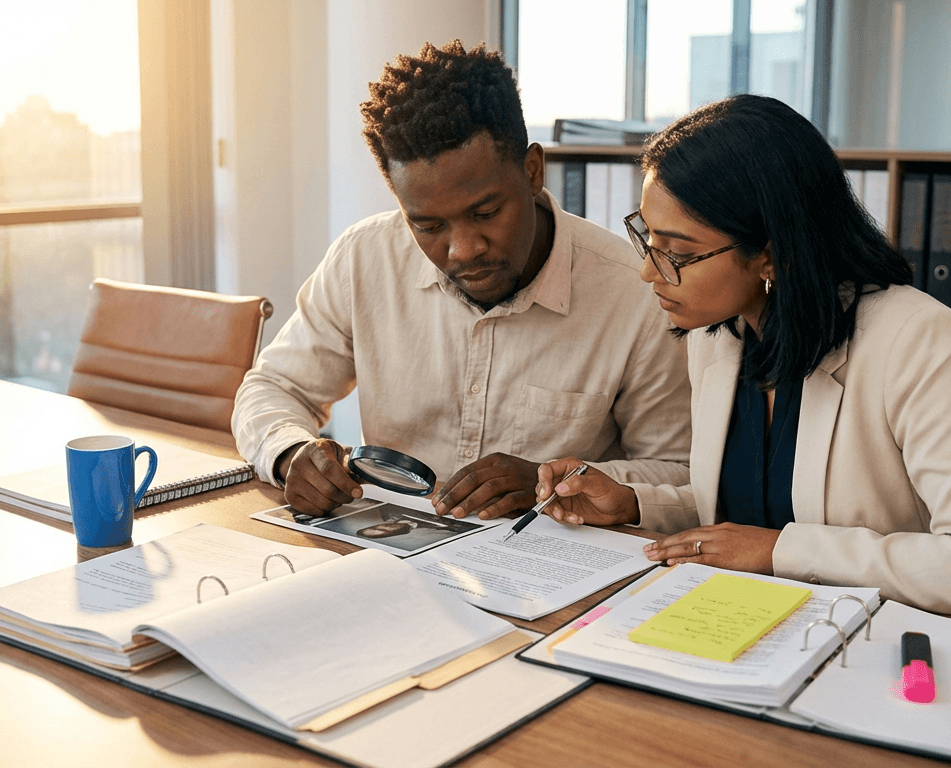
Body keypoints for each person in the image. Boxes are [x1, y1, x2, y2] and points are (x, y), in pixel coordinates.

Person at [534, 95, 951, 621]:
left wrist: (781, 551)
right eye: (648, 238)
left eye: (678, 253)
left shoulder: (916, 340)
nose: (648, 272)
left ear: (771, 255)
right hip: (741, 622)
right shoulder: (719, 334)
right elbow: (746, 509)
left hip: (868, 637)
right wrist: (634, 503)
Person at [232, 41, 691, 519]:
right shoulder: (364, 258)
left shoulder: (634, 291)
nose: (463, 250)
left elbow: (679, 471)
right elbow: (273, 387)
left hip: (550, 557)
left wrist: (555, 481)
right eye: (428, 226)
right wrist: (290, 453)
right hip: (386, 550)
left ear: (533, 171)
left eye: (486, 212)